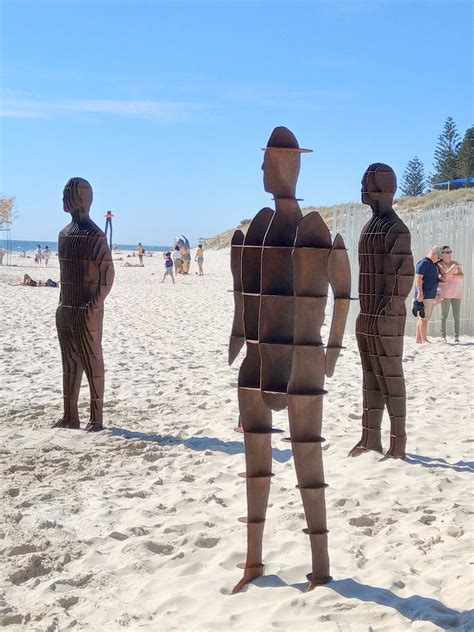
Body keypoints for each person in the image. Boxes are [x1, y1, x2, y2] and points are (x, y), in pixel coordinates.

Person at [414, 247, 443, 344]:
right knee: (424, 318)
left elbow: (433, 280)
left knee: (422, 317)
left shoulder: (432, 264)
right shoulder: (424, 263)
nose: (439, 259)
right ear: (434, 253)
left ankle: (419, 339)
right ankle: (424, 339)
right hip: (425, 295)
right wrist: (420, 293)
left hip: (429, 294)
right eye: (438, 257)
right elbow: (418, 278)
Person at [438, 245, 463, 342]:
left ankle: (456, 336)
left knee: (456, 315)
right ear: (442, 254)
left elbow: (462, 276)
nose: (450, 254)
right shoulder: (440, 264)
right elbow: (444, 276)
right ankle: (443, 336)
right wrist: (453, 268)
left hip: (457, 293)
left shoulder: (455, 263)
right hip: (446, 293)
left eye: (450, 252)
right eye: (447, 252)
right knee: (444, 315)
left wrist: (452, 274)